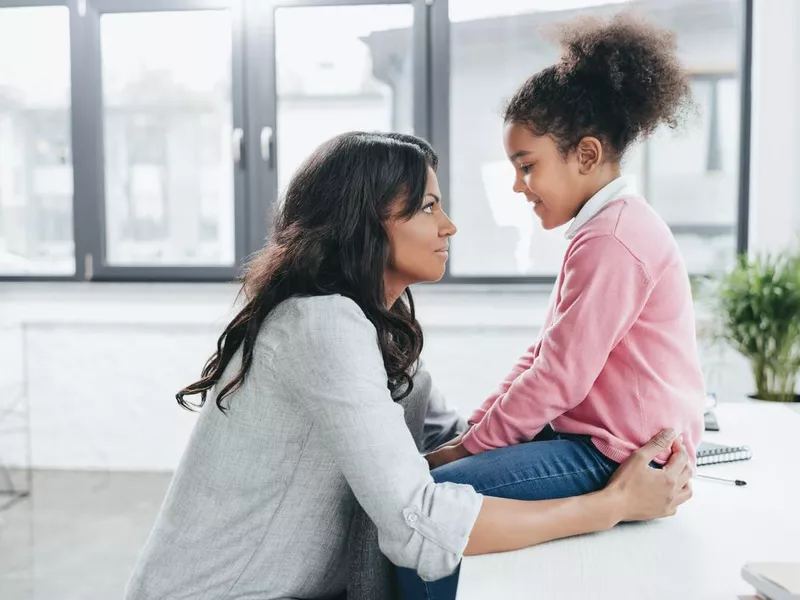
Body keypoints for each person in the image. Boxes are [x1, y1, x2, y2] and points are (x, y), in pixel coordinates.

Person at [124, 131, 691, 600]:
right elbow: (419, 521)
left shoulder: (374, 335)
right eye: (427, 207)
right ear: (365, 223)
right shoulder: (320, 327)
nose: (449, 225)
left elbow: (452, 440)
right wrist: (611, 504)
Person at [401, 12, 705, 599]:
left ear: (586, 155)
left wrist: (468, 447)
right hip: (593, 443)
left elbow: (557, 376)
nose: (518, 186)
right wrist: (475, 432)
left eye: (527, 165)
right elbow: (546, 353)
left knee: (431, 508)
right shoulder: (604, 231)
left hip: (614, 457)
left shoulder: (614, 240)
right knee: (438, 474)